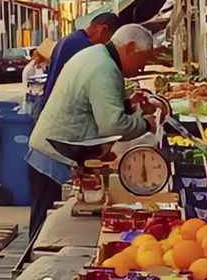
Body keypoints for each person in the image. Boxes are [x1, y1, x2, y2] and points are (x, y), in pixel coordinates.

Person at [26, 24, 157, 238]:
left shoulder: (96, 55)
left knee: (43, 227)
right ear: (131, 47)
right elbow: (112, 125)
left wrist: (126, 104)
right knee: (45, 235)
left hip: (51, 149)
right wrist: (147, 124)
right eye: (143, 58)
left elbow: (93, 104)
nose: (142, 67)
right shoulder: (105, 68)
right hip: (54, 156)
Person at [36, 12, 121, 116]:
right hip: (62, 113)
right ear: (103, 29)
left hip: (50, 106)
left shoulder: (69, 39)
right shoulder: (85, 47)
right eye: (108, 40)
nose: (106, 44)